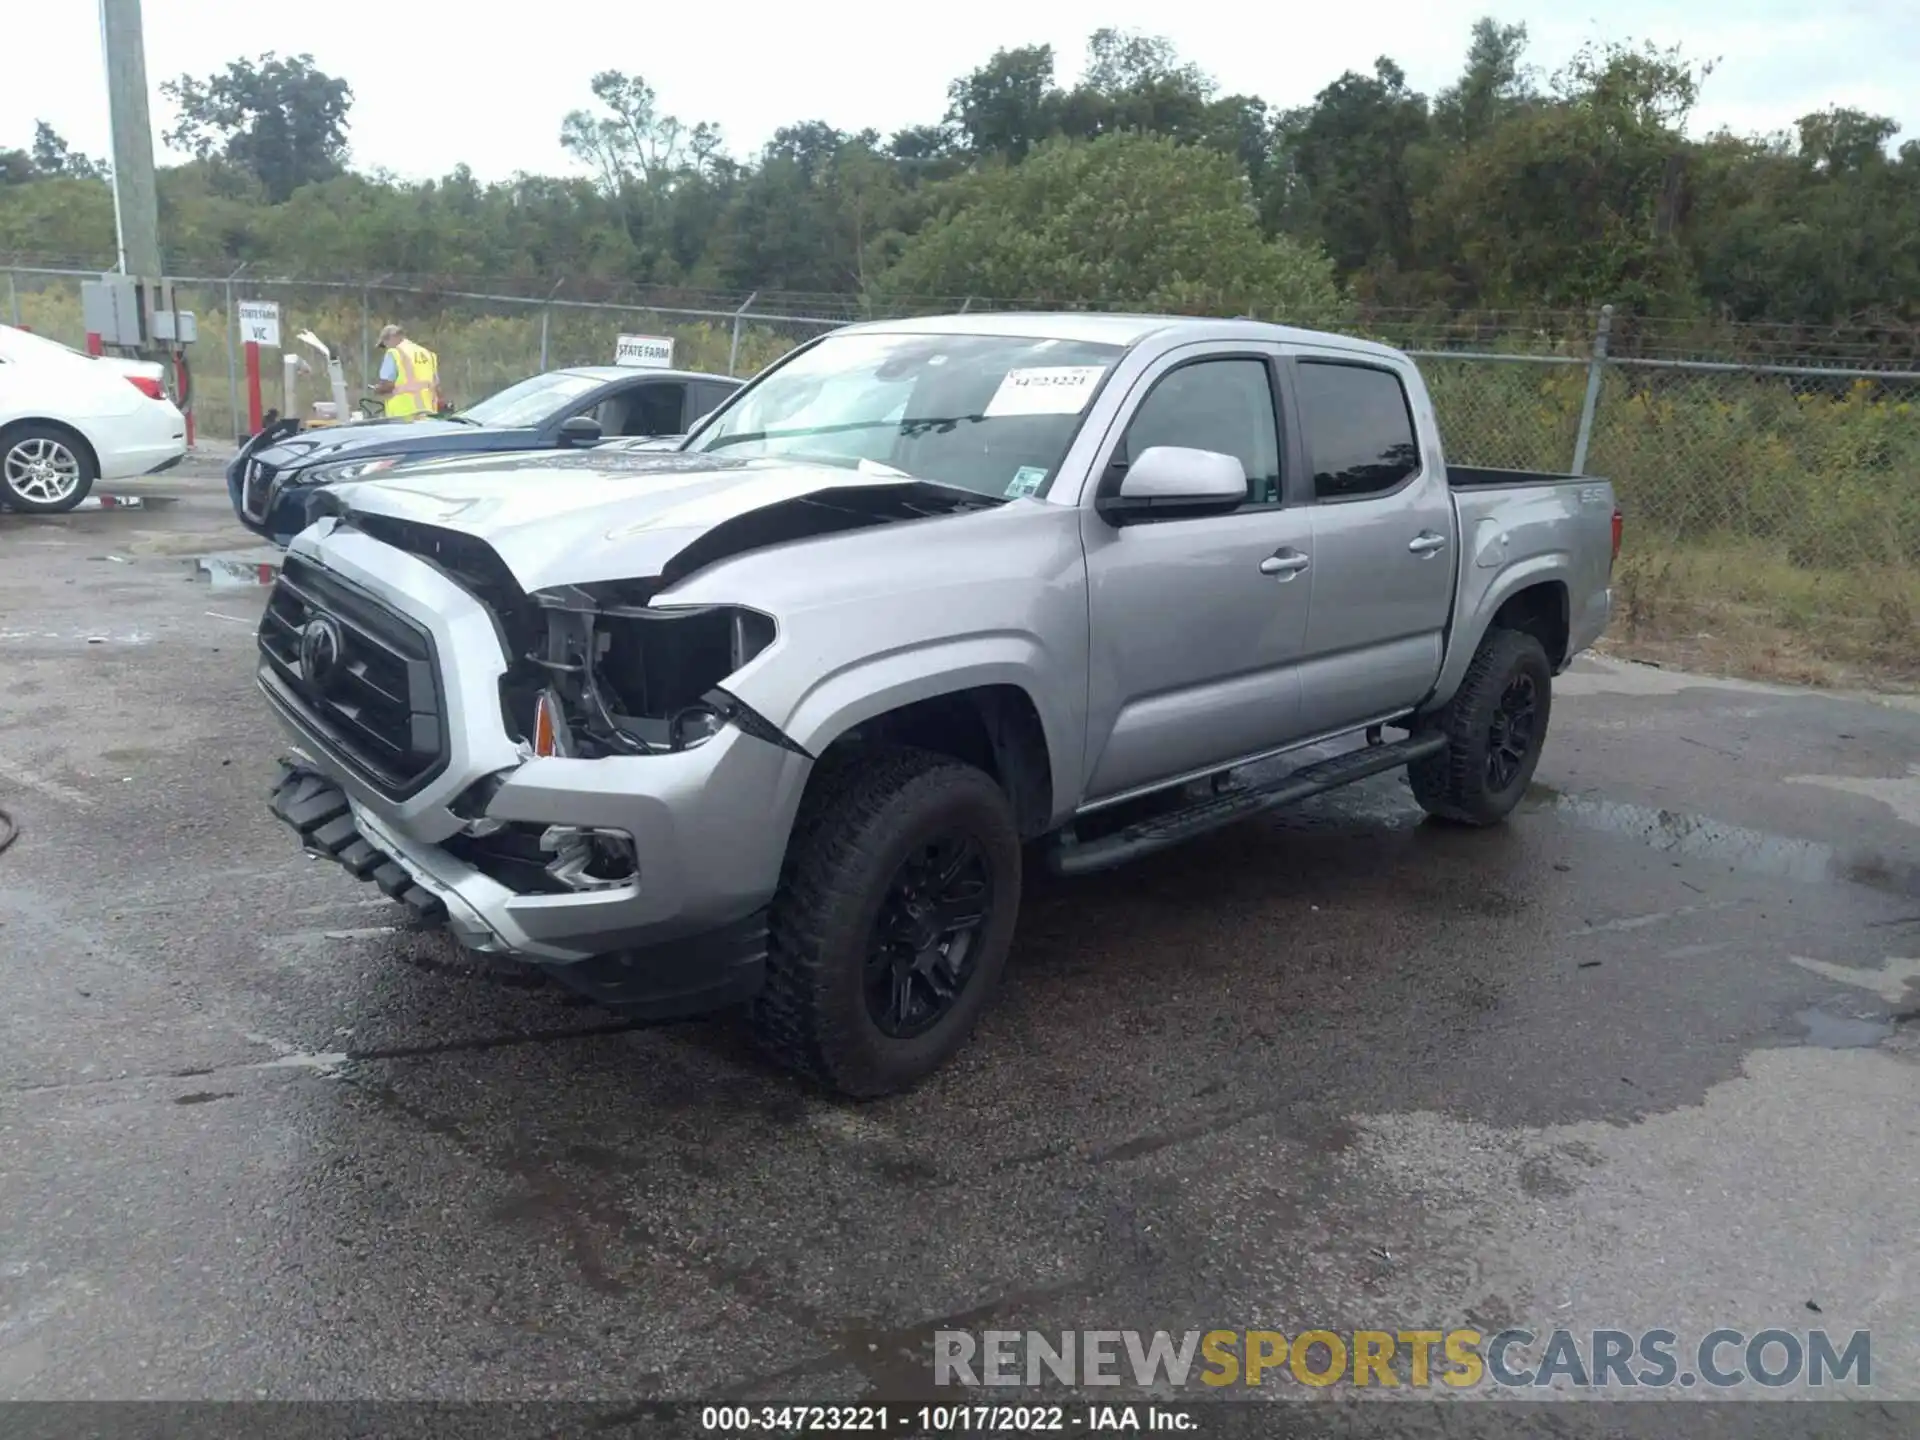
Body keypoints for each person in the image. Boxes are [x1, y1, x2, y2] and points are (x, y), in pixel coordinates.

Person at [370, 324, 444, 420]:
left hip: (404, 414)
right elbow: (436, 384)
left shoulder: (394, 353)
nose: (386, 348)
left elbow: (387, 384)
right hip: (428, 411)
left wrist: (378, 389)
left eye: (385, 344)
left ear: (392, 337)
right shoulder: (427, 353)